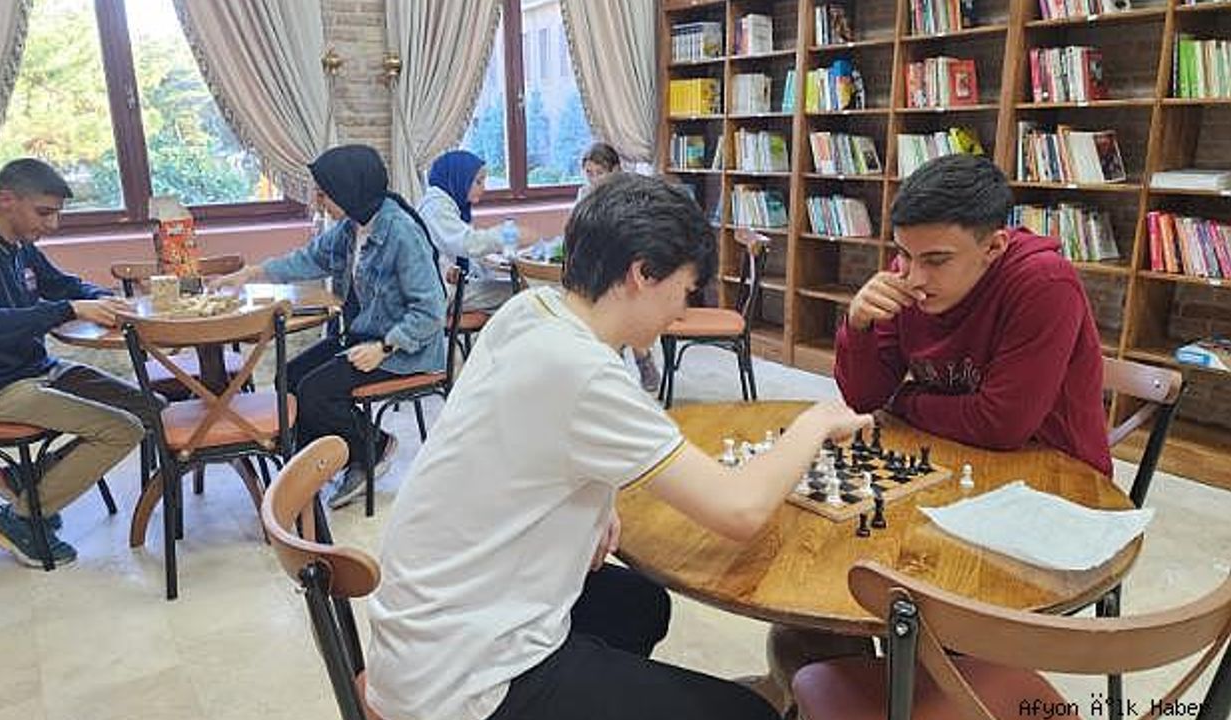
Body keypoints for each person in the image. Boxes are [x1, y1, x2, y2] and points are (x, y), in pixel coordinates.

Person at [365, 172, 871, 720]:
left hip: (421, 634)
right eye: (684, 290)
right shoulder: (582, 371)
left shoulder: (530, 311)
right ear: (642, 274)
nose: (682, 312)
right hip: (463, 679)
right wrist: (814, 422)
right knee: (748, 714)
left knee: (639, 605)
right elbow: (739, 509)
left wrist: (595, 506)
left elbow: (522, 446)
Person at [835, 153, 1111, 475]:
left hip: (1057, 474)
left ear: (994, 247)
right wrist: (858, 326)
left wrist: (902, 399)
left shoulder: (1046, 283)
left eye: (936, 260)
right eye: (904, 253)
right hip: (951, 451)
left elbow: (1000, 425)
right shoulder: (907, 274)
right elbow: (863, 400)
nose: (913, 278)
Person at [211, 145, 445, 508]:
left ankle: (372, 448)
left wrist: (384, 347)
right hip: (362, 336)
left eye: (323, 193)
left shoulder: (401, 233)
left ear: (348, 190)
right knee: (288, 378)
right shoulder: (352, 227)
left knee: (315, 393)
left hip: (403, 348)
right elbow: (309, 258)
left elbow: (431, 310)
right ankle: (319, 461)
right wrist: (251, 273)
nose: (318, 201)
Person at [0, 158, 151, 568]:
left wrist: (103, 299)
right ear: (6, 199)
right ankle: (20, 520)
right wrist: (66, 309)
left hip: (35, 369)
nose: (53, 224)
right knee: (122, 430)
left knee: (150, 410)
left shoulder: (18, 245)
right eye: (44, 212)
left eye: (57, 213)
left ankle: (25, 478)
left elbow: (63, 285)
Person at [575, 141, 663, 393]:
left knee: (624, 297)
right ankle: (619, 357)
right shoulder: (585, 194)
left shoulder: (630, 192)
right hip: (598, 262)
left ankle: (639, 356)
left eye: (599, 173)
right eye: (589, 173)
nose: (594, 179)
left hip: (629, 261)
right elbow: (579, 229)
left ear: (615, 170)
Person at [418, 150, 539, 312]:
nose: (484, 188)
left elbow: (456, 250)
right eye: (478, 181)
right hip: (441, 293)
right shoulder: (436, 207)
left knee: (516, 289)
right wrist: (509, 234)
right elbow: (468, 244)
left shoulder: (447, 204)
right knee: (523, 292)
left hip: (447, 283)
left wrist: (488, 260)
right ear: (459, 178)